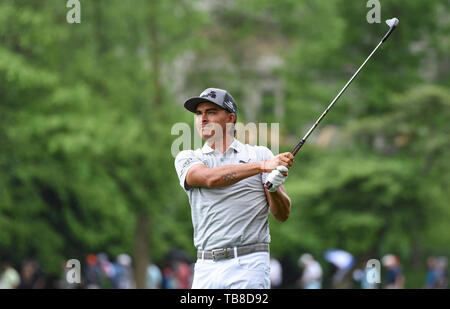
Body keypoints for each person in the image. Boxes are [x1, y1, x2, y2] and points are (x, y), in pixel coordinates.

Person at [175, 88, 293, 289]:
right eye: (198, 113)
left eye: (211, 112)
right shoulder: (188, 157)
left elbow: (282, 214)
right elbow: (210, 178)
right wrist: (263, 166)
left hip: (249, 263)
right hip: (205, 266)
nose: (202, 119)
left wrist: (273, 188)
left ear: (230, 118)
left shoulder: (258, 154)